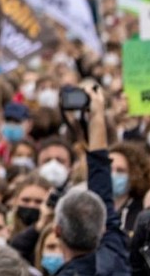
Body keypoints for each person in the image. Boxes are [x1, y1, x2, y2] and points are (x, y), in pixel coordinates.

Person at [52, 83, 129, 275]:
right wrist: (97, 117)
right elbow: (101, 184)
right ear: (102, 229)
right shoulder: (114, 259)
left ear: (57, 231)